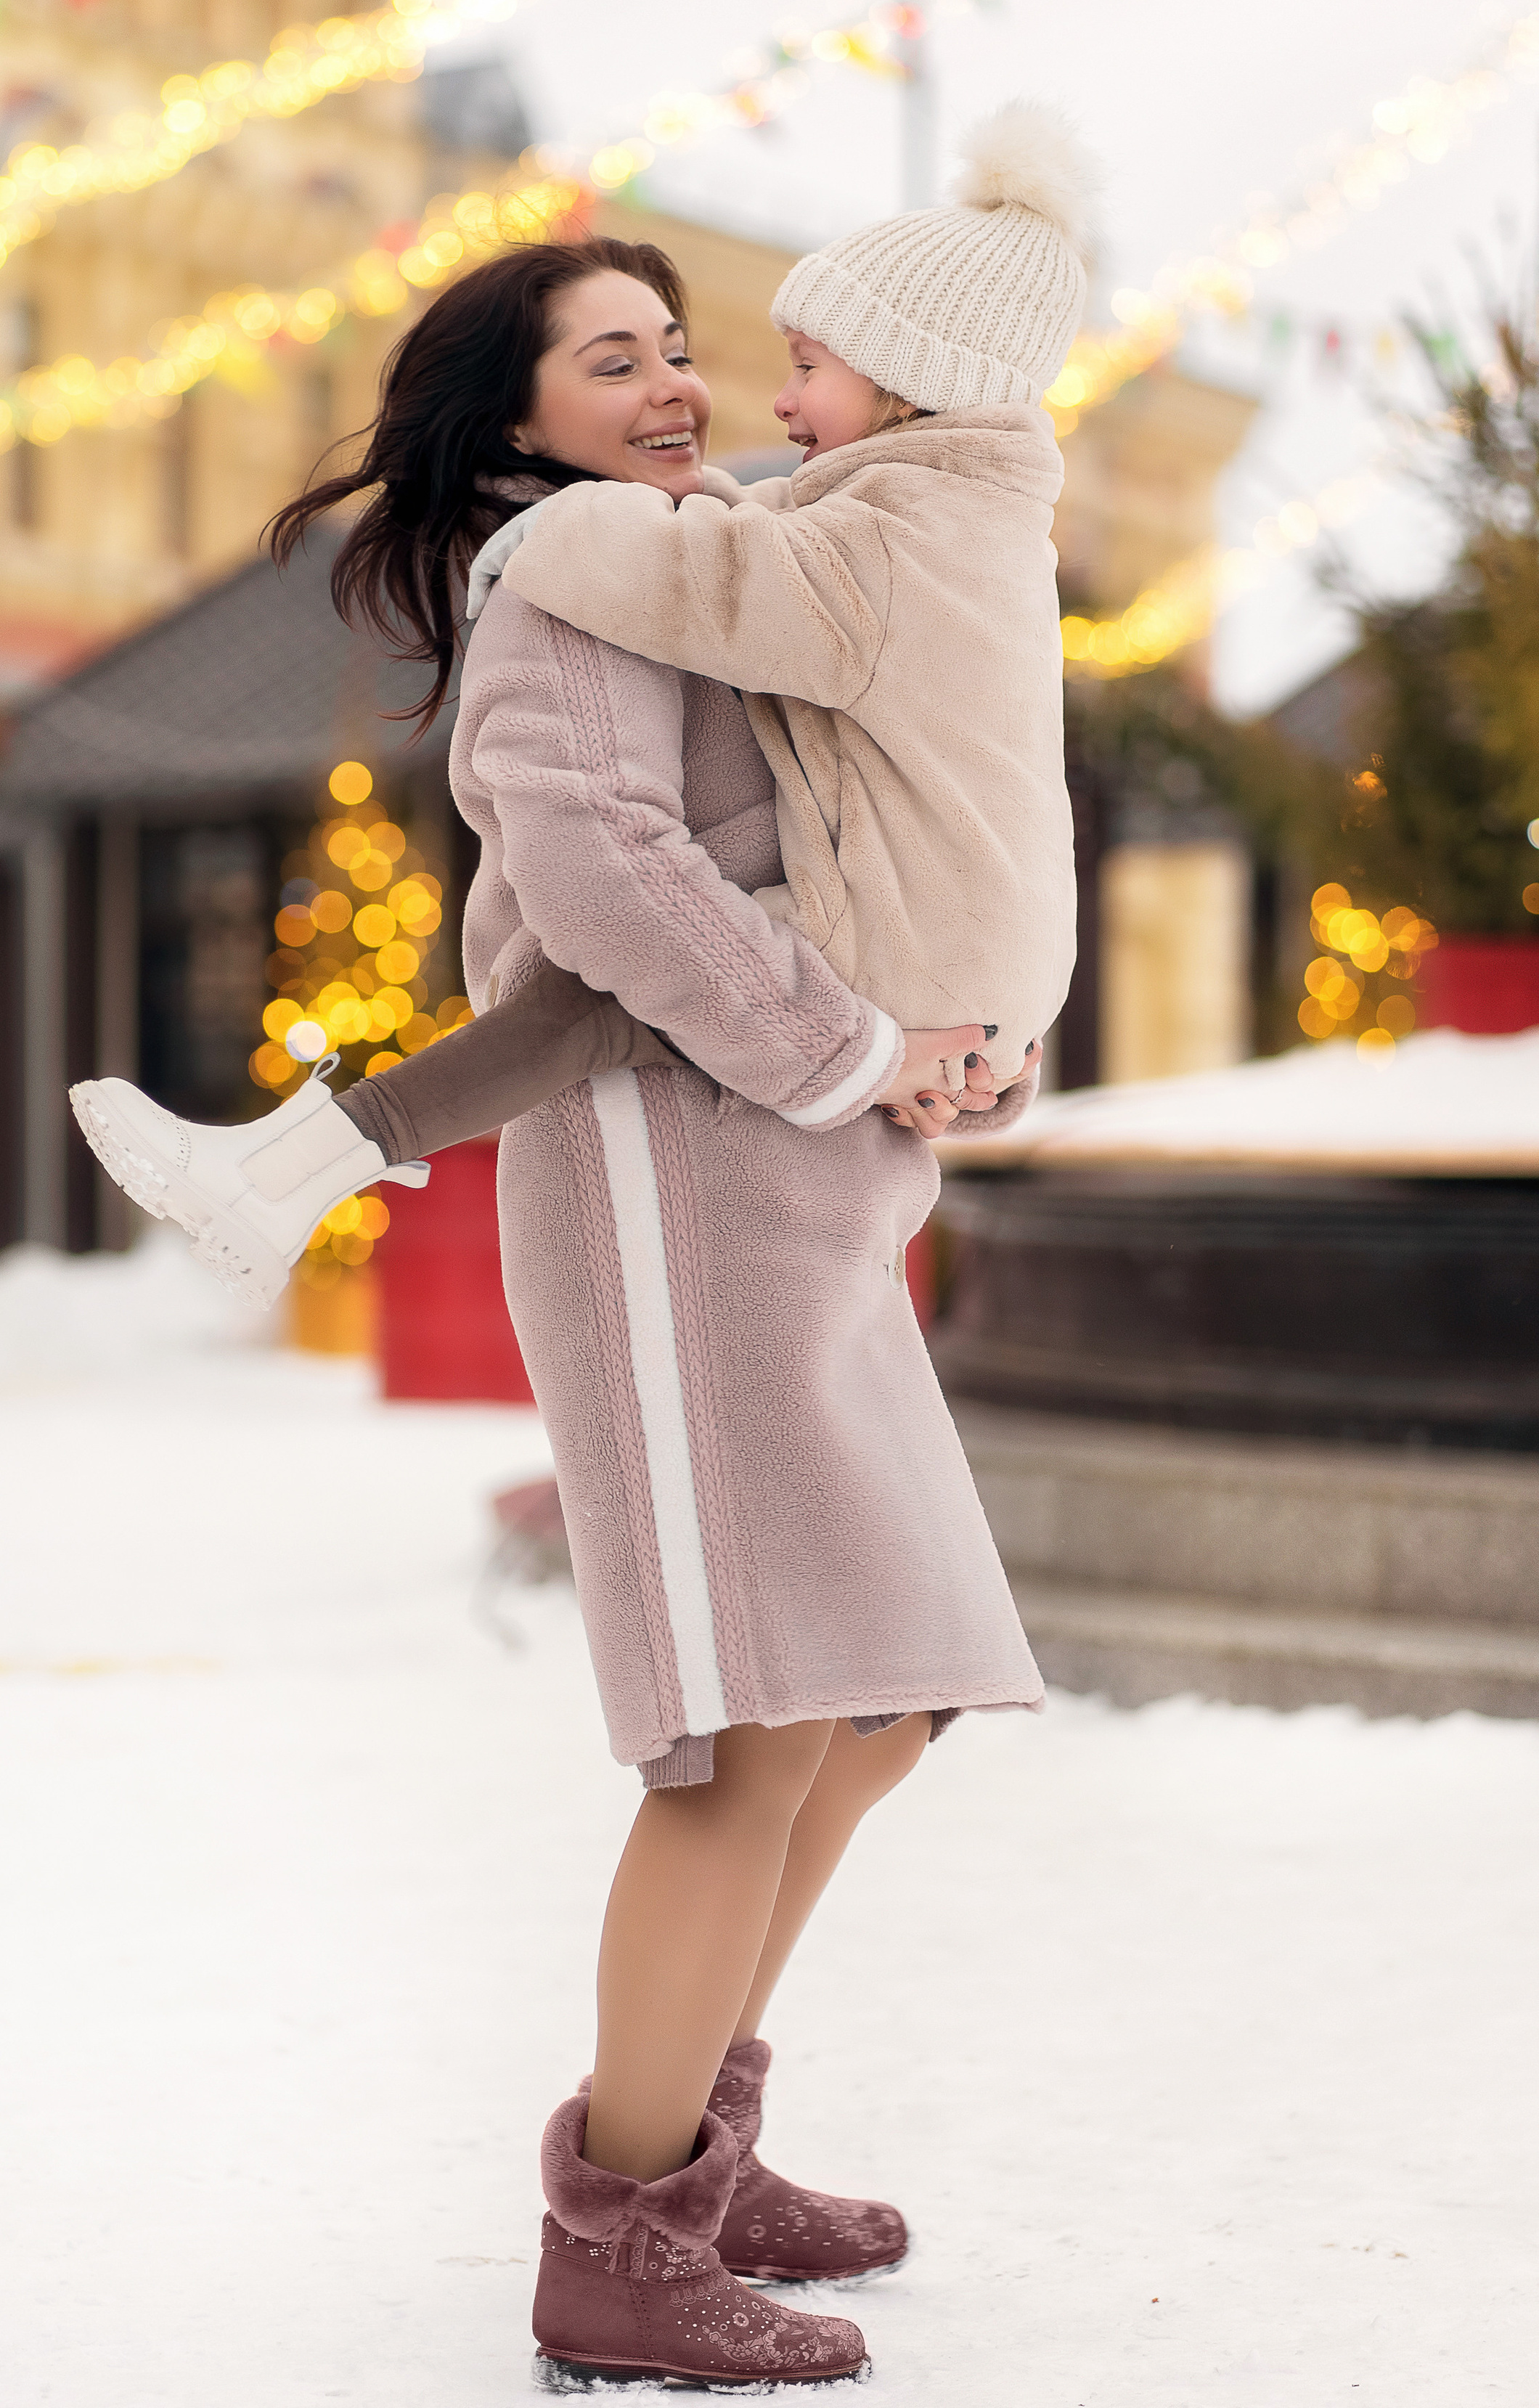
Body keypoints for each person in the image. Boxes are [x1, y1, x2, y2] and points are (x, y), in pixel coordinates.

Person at [73, 190, 1074, 2387]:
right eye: (606, 359)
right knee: (749, 1722)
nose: (672, 383)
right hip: (672, 1176)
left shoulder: (734, 554)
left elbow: (903, 827)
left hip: (814, 1179)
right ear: (509, 423)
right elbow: (609, 880)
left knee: (881, 1700)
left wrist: (961, 1039)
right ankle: (626, 2238)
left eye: (674, 342)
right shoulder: (566, 586)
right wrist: (844, 1048)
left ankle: (695, 2133)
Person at [71, 101, 1089, 1310]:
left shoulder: (875, 550)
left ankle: (290, 1170)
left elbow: (706, 602)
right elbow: (749, 555)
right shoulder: (956, 528)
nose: (761, 404)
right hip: (973, 969)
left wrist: (540, 526)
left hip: (878, 1004)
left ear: (910, 385)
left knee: (592, 999)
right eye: (618, 364)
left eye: (807, 368)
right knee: (610, 991)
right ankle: (288, 1170)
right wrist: (948, 1049)